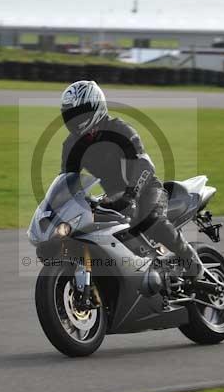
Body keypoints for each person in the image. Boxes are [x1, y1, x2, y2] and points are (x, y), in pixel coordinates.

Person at [59, 80, 205, 282]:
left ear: (96, 107)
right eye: (71, 114)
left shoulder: (119, 130)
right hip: (112, 195)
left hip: (145, 188)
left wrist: (130, 195)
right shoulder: (71, 145)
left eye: (81, 113)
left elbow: (144, 165)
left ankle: (192, 262)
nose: (75, 119)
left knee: (151, 220)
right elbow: (67, 180)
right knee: (93, 231)